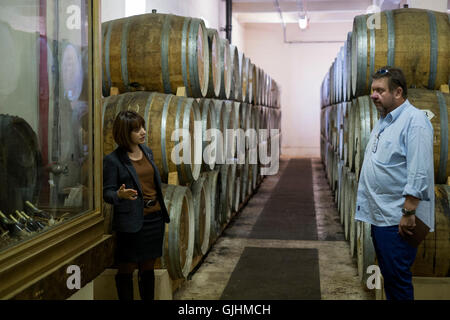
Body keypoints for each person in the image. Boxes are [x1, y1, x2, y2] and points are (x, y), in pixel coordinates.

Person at [355, 66, 435, 300]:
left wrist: (408, 211)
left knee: (398, 281)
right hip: (382, 215)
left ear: (398, 92)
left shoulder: (415, 121)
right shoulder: (385, 119)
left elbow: (420, 171)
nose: (373, 95)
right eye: (372, 90)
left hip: (397, 220)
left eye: (380, 90)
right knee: (391, 278)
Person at [103, 110, 170, 300]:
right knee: (126, 268)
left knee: (148, 267)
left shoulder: (146, 151)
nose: (143, 132)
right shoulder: (113, 161)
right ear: (125, 133)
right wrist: (119, 194)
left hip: (154, 218)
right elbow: (106, 193)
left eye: (143, 127)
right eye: (136, 129)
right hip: (131, 223)